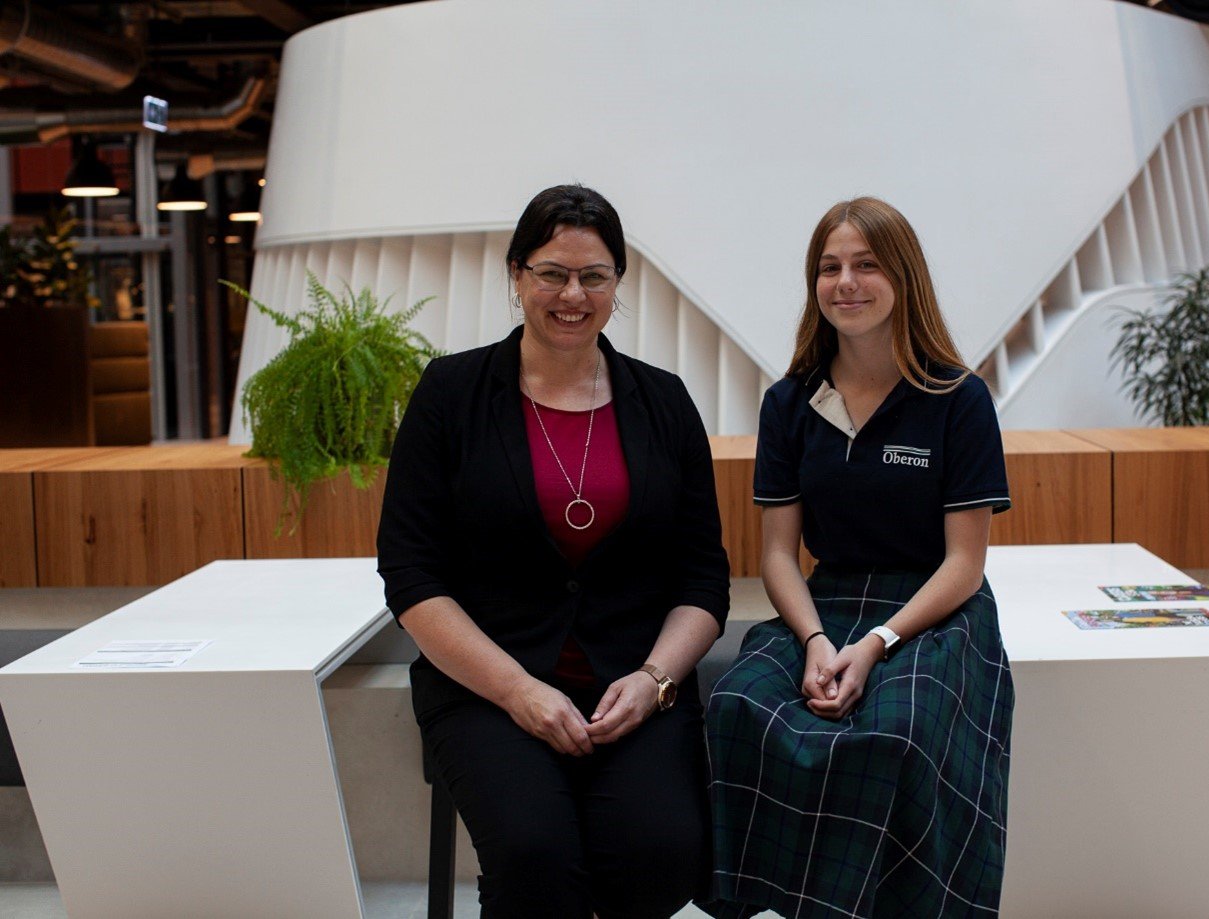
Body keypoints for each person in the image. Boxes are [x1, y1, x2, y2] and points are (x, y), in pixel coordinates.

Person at [377, 184, 730, 918]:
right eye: (551, 272)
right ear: (515, 275)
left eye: (593, 276)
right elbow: (410, 575)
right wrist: (518, 691)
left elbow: (702, 580)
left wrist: (654, 680)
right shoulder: (449, 393)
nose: (572, 294)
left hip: (632, 689)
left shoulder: (663, 401)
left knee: (660, 855)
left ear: (616, 284)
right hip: (488, 690)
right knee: (534, 856)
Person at [701, 197, 1015, 918]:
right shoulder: (788, 402)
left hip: (933, 610)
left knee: (896, 732)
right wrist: (814, 641)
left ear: (902, 277)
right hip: (826, 599)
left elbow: (963, 564)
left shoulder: (957, 399)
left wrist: (874, 646)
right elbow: (777, 554)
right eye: (829, 267)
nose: (845, 281)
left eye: (865, 265)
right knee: (732, 703)